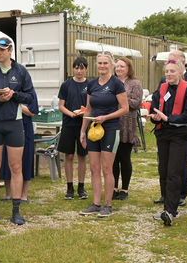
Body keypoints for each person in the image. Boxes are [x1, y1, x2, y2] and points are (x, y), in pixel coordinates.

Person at [0, 37, 36, 225]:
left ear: (11, 50)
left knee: (15, 167)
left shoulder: (20, 71)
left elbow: (30, 96)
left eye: (2, 49)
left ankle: (16, 211)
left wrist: (14, 95)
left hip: (15, 123)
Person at [79, 52, 128, 217]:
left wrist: (105, 117)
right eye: (99, 63)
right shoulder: (92, 84)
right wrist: (82, 131)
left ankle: (107, 205)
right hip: (93, 129)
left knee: (107, 168)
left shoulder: (116, 84)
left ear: (111, 65)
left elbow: (124, 108)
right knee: (94, 168)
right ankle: (95, 203)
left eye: (105, 63)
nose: (102, 66)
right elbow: (88, 108)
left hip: (111, 129)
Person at [149, 59, 187, 225]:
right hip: (163, 134)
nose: (168, 74)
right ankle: (166, 206)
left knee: (174, 172)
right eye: (167, 71)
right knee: (163, 170)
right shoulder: (161, 89)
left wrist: (169, 118)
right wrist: (154, 117)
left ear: (180, 72)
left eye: (172, 71)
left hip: (179, 134)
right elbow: (154, 107)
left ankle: (171, 210)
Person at [57, 57, 90, 200]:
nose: (79, 71)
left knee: (82, 156)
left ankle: (81, 187)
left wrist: (84, 113)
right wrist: (71, 113)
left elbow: (90, 106)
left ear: (86, 69)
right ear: (73, 69)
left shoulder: (90, 85)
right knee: (69, 156)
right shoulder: (66, 85)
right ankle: (69, 188)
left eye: (82, 68)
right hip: (69, 124)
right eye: (76, 68)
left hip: (84, 124)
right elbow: (61, 106)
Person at [112, 57, 144, 201]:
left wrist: (119, 97)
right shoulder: (111, 82)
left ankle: (124, 189)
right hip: (112, 124)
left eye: (122, 66)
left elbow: (136, 103)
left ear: (128, 68)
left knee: (124, 158)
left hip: (127, 125)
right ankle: (113, 188)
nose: (119, 69)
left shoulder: (135, 83)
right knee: (113, 159)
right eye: (117, 66)